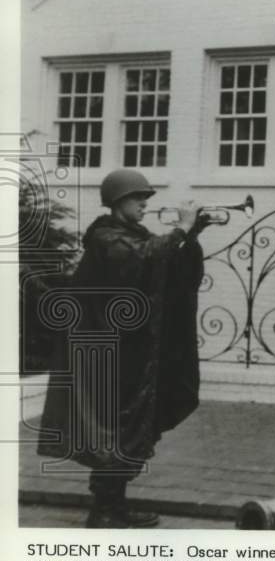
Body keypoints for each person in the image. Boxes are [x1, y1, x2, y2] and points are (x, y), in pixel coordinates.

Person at [38, 169, 206, 528]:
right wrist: (181, 231)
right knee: (113, 427)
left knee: (127, 426)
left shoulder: (130, 235)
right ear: (117, 202)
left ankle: (113, 507)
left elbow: (166, 266)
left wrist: (191, 239)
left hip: (125, 352)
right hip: (104, 354)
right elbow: (143, 259)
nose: (146, 203)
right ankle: (104, 512)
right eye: (138, 198)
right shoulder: (107, 238)